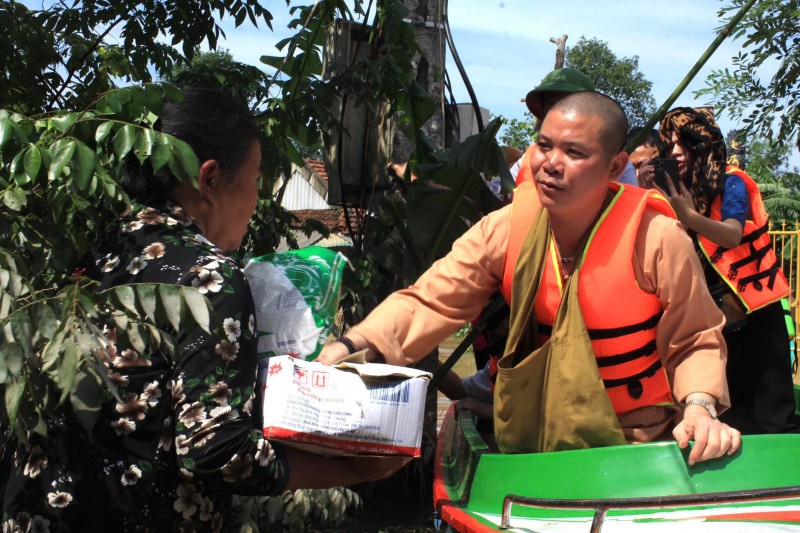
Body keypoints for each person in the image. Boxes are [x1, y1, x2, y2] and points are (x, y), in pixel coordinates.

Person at [0, 87, 407, 531]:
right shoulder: (208, 277)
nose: (257, 202)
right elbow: (214, 450)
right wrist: (353, 469)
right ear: (211, 179)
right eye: (256, 182)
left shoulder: (105, 247)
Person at [319, 91, 741, 465]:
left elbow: (695, 338)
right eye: (543, 146)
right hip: (532, 441)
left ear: (615, 166)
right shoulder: (506, 227)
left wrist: (700, 410)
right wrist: (350, 345)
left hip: (633, 441)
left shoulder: (657, 236)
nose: (550, 165)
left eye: (574, 153)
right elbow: (429, 301)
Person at [656, 107, 798, 435]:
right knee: (728, 410)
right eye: (670, 145)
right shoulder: (672, 192)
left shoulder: (731, 184)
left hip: (757, 311)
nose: (675, 152)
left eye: (684, 144)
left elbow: (732, 233)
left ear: (703, 145)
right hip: (713, 319)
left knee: (771, 413)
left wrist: (689, 216)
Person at [512, 68, 638, 187]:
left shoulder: (615, 165)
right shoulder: (529, 158)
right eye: (552, 104)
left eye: (575, 153)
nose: (551, 166)